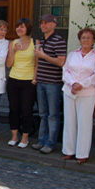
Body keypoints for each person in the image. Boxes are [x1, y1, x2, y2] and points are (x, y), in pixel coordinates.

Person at [61, 27, 95, 163]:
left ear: (93, 41)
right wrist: (73, 84)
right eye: (83, 37)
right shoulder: (72, 54)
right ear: (80, 40)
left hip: (87, 93)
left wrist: (81, 85)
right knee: (69, 121)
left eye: (89, 38)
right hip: (69, 91)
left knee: (84, 123)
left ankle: (82, 154)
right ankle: (68, 151)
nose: (85, 40)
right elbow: (65, 70)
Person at [33, 14, 67, 154]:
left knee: (53, 114)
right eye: (41, 23)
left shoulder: (59, 41)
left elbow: (61, 62)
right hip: (41, 81)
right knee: (43, 114)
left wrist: (43, 56)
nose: (43, 25)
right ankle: (42, 140)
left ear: (53, 24)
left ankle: (51, 143)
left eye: (46, 23)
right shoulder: (42, 40)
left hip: (53, 83)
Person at [5, 18, 38, 148]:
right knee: (13, 109)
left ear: (28, 28)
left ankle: (25, 137)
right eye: (18, 27)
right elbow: (8, 64)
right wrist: (13, 51)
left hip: (28, 81)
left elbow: (37, 64)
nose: (19, 29)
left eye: (22, 27)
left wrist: (34, 79)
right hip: (13, 79)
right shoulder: (13, 43)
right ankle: (14, 136)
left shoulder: (35, 42)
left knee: (26, 110)